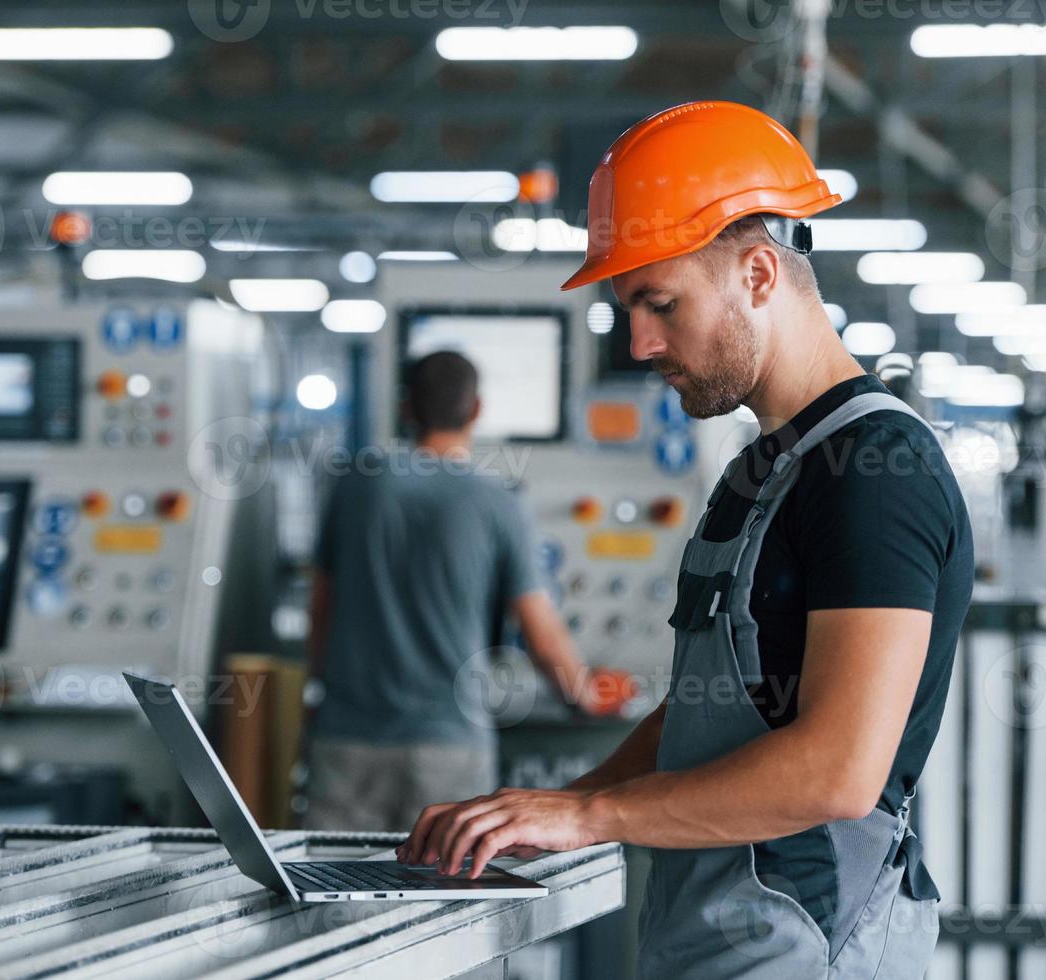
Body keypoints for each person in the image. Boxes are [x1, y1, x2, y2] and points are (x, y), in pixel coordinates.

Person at [397, 101, 974, 978]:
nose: (639, 342)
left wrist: (591, 820)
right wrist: (549, 807)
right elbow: (707, 717)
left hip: (808, 944)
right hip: (715, 935)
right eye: (628, 308)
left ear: (755, 273)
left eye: (658, 303)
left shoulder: (875, 471)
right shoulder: (762, 469)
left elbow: (839, 771)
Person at [304, 350, 610, 833]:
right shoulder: (496, 503)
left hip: (347, 738)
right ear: (476, 411)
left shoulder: (356, 490)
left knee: (335, 888)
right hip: (448, 746)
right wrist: (583, 693)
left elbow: (320, 606)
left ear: (406, 408)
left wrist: (324, 689)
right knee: (445, 894)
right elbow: (539, 628)